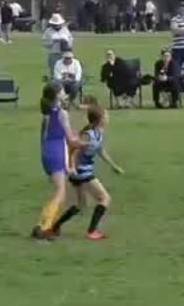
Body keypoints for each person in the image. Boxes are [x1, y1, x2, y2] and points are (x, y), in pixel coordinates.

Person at [47, 105, 125, 240]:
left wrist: (114, 166)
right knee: (105, 198)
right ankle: (91, 231)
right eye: (105, 116)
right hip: (82, 173)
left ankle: (55, 227)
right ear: (98, 120)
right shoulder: (87, 135)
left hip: (83, 172)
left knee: (81, 205)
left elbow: (101, 151)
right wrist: (71, 166)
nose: (108, 118)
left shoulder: (99, 133)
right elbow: (72, 148)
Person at [31, 82, 83, 240]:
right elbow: (70, 140)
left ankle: (45, 224)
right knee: (60, 193)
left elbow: (43, 138)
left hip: (47, 153)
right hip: (57, 152)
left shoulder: (46, 114)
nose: (64, 92)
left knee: (60, 192)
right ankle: (44, 226)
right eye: (61, 90)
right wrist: (86, 143)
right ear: (56, 95)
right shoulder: (62, 114)